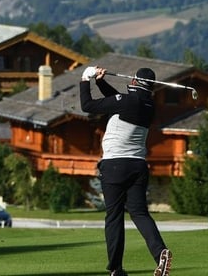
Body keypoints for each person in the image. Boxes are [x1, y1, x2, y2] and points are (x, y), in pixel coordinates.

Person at [80, 65, 173, 276]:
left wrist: (86, 79)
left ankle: (116, 269)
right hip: (138, 166)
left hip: (115, 166)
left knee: (114, 217)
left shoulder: (127, 101)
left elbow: (87, 105)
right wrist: (101, 82)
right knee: (139, 213)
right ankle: (160, 253)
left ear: (134, 82)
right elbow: (118, 101)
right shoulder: (148, 104)